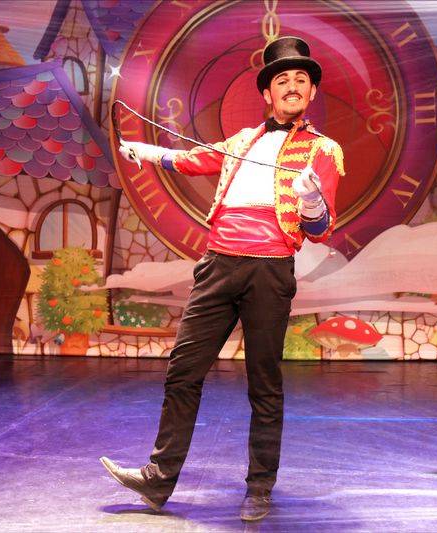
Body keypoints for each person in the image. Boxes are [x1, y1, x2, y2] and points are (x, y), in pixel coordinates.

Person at [100, 36, 344, 522]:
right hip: (218, 265)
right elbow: (192, 159)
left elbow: (321, 228)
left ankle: (259, 486)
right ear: (267, 93)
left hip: (270, 269)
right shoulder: (241, 142)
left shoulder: (324, 150)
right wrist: (144, 151)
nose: (292, 86)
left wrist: (312, 201)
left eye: (301, 80)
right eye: (283, 80)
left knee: (264, 383)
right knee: (183, 370)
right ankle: (158, 479)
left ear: (312, 92)